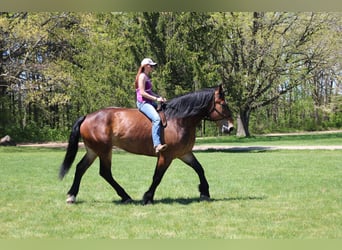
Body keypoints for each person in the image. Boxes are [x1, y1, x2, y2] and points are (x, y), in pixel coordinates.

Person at [135, 58, 168, 153]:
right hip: (143, 103)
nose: (152, 67)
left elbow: (149, 92)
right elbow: (142, 93)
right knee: (157, 119)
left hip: (149, 102)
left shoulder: (146, 76)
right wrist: (156, 99)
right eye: (151, 65)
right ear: (145, 66)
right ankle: (157, 145)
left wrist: (159, 97)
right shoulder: (142, 77)